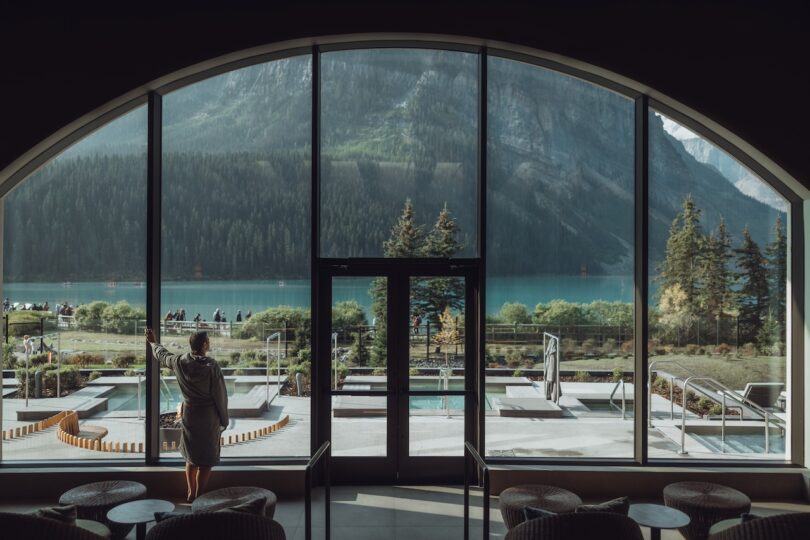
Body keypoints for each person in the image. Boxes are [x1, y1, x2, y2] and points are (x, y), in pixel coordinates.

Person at [145, 328, 228, 502]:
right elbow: (220, 396)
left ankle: (191, 493)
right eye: (209, 341)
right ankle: (200, 495)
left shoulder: (179, 361)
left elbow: (161, 355)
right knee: (205, 460)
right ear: (204, 345)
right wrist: (224, 420)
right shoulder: (211, 366)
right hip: (208, 418)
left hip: (189, 414)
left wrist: (153, 341)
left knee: (191, 456)